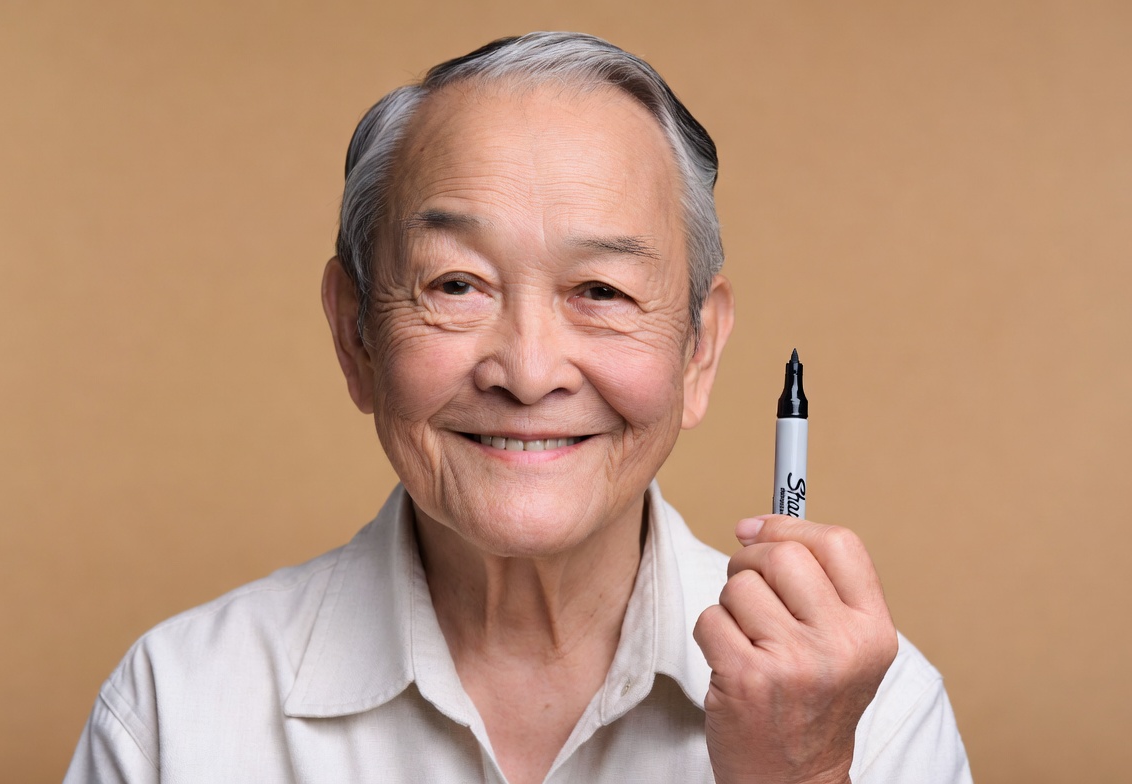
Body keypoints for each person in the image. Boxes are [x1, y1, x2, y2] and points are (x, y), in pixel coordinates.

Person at [65, 32, 971, 783]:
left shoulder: (870, 715)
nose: (530, 372)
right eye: (458, 284)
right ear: (356, 337)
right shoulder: (173, 714)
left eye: (603, 291)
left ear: (699, 349)